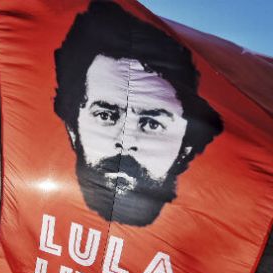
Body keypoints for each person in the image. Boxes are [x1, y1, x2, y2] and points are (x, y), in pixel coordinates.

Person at [54, 1, 223, 226]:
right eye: (105, 116)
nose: (125, 143)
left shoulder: (209, 228)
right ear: (73, 131)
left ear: (185, 148)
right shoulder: (24, 203)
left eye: (151, 124)